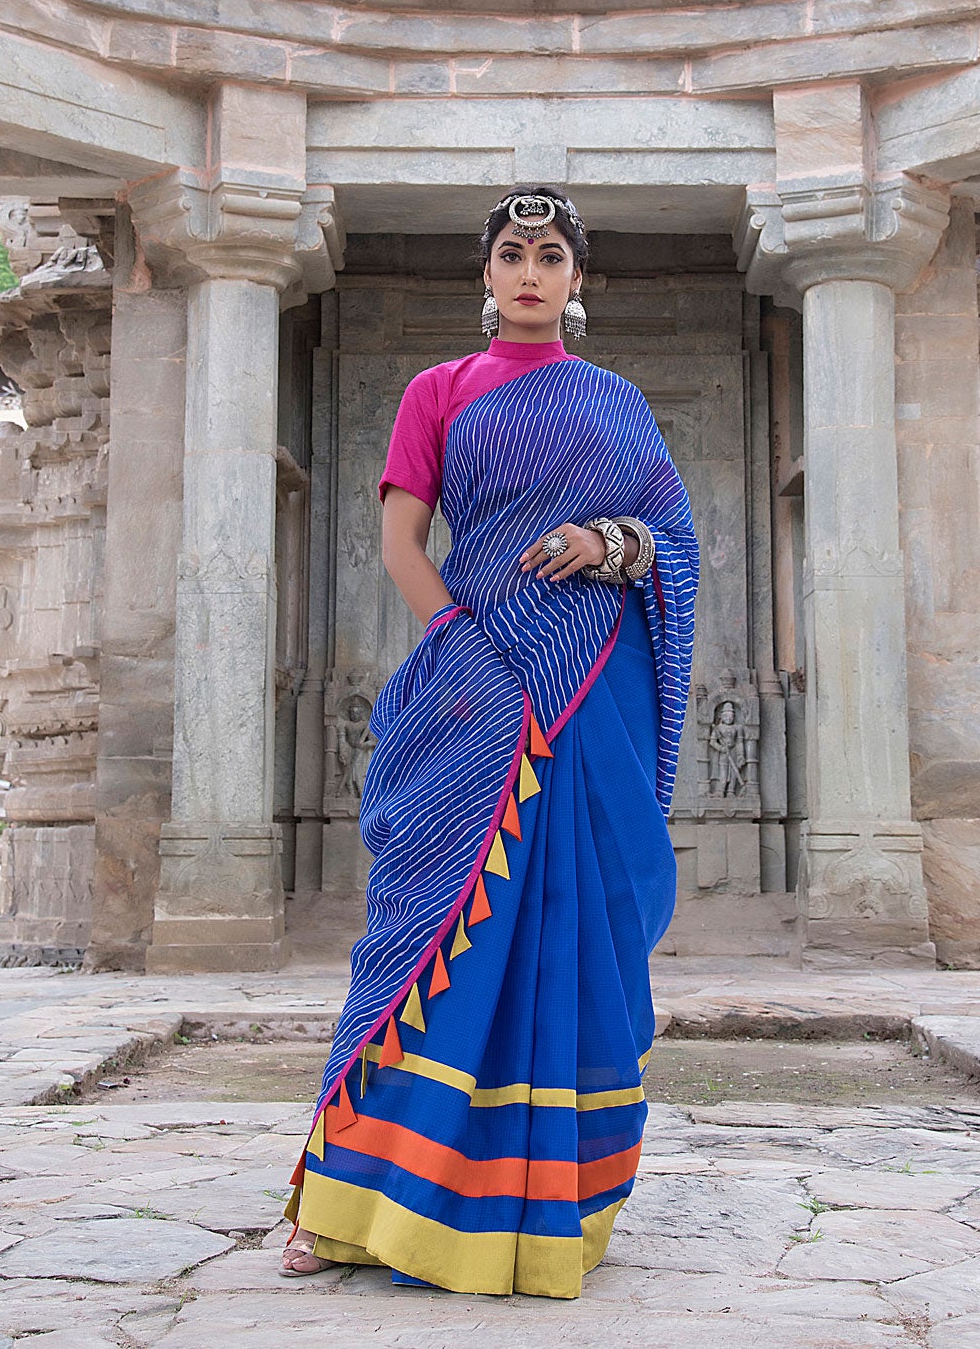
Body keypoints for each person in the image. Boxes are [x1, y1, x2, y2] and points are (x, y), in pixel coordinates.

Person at [281, 185, 699, 1298]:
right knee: (419, 930)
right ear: (486, 273)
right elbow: (401, 543)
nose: (530, 272)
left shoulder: (617, 403)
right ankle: (346, 1200)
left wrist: (605, 541)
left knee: (584, 921)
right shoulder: (439, 390)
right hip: (475, 689)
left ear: (577, 279)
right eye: (512, 253)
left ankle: (552, 1199)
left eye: (550, 256)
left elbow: (672, 537)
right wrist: (464, 647)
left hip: (592, 691)